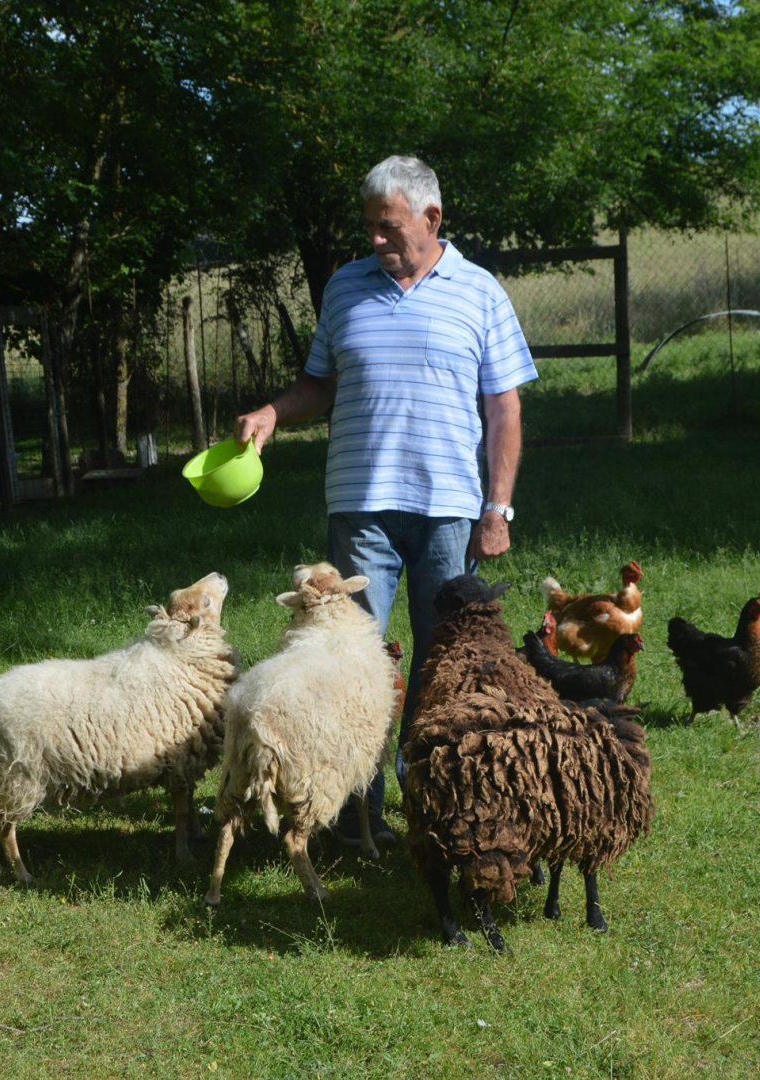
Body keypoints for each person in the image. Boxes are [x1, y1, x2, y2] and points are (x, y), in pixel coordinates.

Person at [234, 154, 535, 844]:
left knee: (441, 662)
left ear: (431, 218)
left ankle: (431, 798)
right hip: (359, 504)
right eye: (369, 225)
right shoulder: (345, 287)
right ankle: (353, 812)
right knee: (347, 665)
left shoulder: (480, 291)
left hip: (448, 508)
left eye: (387, 226)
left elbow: (504, 408)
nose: (374, 238)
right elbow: (320, 384)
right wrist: (275, 413)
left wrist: (497, 508)